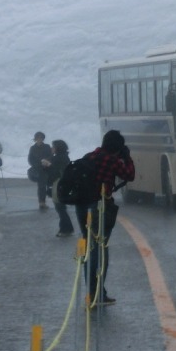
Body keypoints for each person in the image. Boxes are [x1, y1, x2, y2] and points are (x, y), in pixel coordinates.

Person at [74, 130, 135, 307]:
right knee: (100, 249)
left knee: (89, 247)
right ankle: (97, 293)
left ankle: (91, 292)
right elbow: (129, 175)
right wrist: (128, 157)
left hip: (81, 205)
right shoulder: (112, 160)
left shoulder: (90, 156)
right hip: (99, 206)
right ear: (118, 148)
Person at [48, 140, 74, 236]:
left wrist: (48, 165)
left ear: (57, 147)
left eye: (53, 146)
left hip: (58, 183)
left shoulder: (58, 158)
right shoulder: (64, 156)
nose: (52, 148)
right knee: (61, 207)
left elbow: (55, 172)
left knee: (60, 206)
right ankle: (65, 228)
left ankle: (65, 229)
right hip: (62, 183)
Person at [27, 132, 54, 210]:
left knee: (48, 185)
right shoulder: (32, 148)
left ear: (43, 139)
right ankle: (42, 202)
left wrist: (46, 161)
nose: (39, 139)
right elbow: (30, 159)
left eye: (41, 138)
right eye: (38, 138)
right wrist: (37, 164)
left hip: (46, 168)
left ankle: (49, 200)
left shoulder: (47, 146)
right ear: (35, 139)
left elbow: (51, 156)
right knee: (41, 186)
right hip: (38, 169)